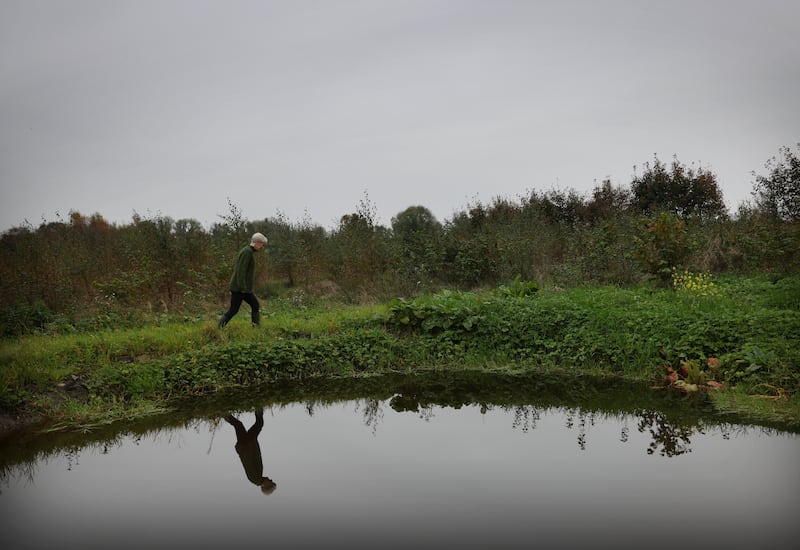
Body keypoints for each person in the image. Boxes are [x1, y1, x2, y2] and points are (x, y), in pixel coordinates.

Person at [218, 232, 268, 328]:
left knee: (255, 305)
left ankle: (256, 327)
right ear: (257, 242)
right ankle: (219, 327)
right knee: (233, 310)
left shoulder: (249, 251)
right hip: (239, 288)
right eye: (262, 244)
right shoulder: (247, 252)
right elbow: (241, 271)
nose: (262, 247)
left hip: (243, 288)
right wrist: (242, 288)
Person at [224, 408, 277, 495]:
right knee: (253, 424)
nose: (271, 479)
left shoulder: (255, 478)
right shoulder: (258, 477)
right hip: (248, 443)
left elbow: (248, 461)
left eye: (271, 482)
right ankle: (258, 406)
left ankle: (223, 413)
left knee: (240, 425)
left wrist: (247, 444)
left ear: (265, 485)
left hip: (246, 445)